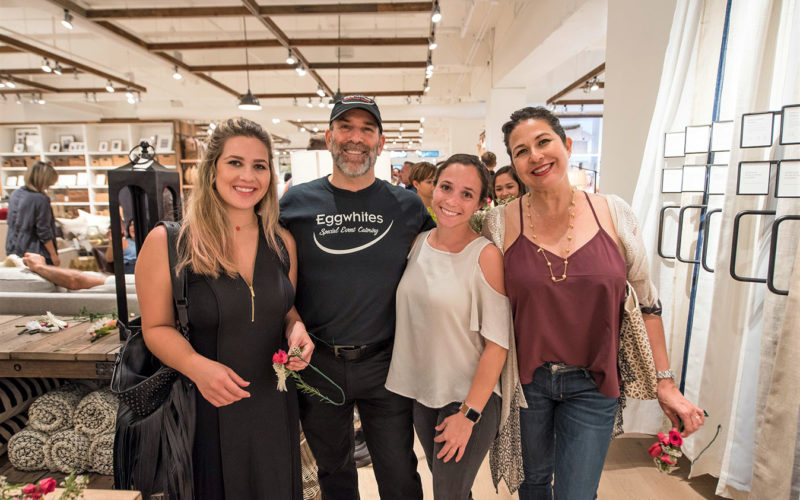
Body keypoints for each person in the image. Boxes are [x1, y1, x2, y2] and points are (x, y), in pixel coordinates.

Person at [483, 106, 705, 499]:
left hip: (594, 383)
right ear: (513, 165)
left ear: (566, 145)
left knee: (577, 493)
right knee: (532, 485)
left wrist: (665, 384)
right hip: (525, 384)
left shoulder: (613, 213)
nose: (535, 156)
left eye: (543, 142)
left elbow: (647, 304)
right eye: (521, 151)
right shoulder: (499, 224)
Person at [136, 117, 313, 499]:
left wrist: (296, 330)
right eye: (235, 162)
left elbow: (285, 309)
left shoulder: (282, 241)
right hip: (204, 409)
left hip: (273, 404)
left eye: (259, 165)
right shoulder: (170, 242)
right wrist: (197, 367)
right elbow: (155, 327)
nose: (248, 176)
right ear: (212, 168)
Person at [280, 95, 434, 500]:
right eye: (346, 127)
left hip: (387, 363)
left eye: (367, 129)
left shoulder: (408, 206)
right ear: (330, 136)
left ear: (381, 143)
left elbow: (446, 258)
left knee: (400, 472)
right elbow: (273, 278)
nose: (356, 138)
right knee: (334, 472)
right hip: (319, 363)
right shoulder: (294, 204)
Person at [387, 154, 515, 498]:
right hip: (424, 394)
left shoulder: (485, 256)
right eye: (446, 187)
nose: (452, 201)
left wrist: (468, 414)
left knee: (448, 494)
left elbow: (498, 344)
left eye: (467, 194)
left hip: (467, 398)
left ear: (481, 204)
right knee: (453, 490)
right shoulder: (418, 245)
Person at [6, 161, 60, 265]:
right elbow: (43, 230)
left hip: (13, 249)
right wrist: (53, 255)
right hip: (36, 253)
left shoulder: (15, 194)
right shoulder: (40, 199)